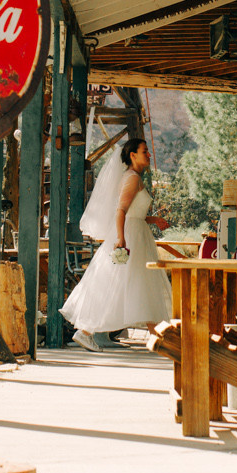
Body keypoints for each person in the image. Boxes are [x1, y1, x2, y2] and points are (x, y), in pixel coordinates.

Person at [61, 138, 170, 351]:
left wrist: (153, 220)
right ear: (133, 155)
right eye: (145, 151)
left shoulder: (134, 178)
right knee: (121, 282)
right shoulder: (131, 179)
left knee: (138, 283)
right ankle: (86, 331)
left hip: (136, 232)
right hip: (130, 236)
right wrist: (121, 238)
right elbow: (120, 211)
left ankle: (158, 336)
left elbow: (133, 213)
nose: (148, 155)